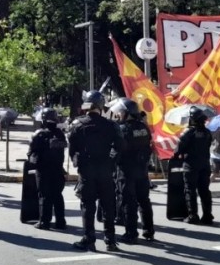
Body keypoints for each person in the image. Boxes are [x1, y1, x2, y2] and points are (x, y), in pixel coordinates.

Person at [68, 90, 125, 252]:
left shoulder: (77, 124)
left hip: (87, 170)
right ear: (101, 106)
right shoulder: (111, 125)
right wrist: (110, 161)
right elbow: (120, 147)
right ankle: (110, 241)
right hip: (105, 170)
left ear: (87, 104)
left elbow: (72, 148)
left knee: (87, 205)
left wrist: (78, 162)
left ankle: (89, 239)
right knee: (107, 205)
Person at [110, 100, 154, 243]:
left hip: (126, 170)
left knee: (129, 202)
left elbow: (117, 151)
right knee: (144, 201)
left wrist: (109, 165)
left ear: (127, 113)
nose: (119, 114)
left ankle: (131, 233)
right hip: (141, 169)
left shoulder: (122, 129)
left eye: (121, 112)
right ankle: (148, 231)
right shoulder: (143, 127)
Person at [29, 108, 67, 230]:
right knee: (57, 196)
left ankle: (44, 222)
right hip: (58, 169)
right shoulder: (60, 134)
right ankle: (60, 222)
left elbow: (31, 153)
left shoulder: (39, 134)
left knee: (44, 195)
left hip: (44, 170)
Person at [175, 107, 214, 225]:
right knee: (204, 191)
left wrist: (178, 154)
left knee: (190, 190)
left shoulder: (188, 132)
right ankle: (207, 215)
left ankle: (193, 215)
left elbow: (178, 149)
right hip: (205, 164)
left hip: (191, 165)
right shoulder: (207, 132)